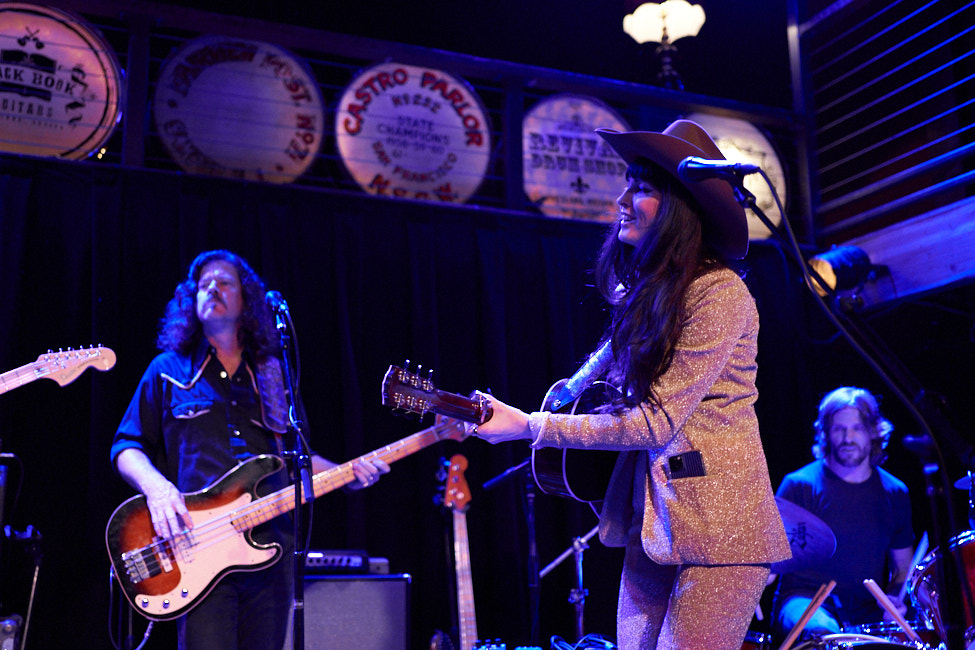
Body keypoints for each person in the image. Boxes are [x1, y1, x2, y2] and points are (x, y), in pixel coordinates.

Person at [468, 120, 791, 649]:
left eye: (640, 188)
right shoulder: (652, 293)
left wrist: (530, 427)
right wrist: (495, 413)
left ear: (679, 207)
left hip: (722, 532)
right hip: (656, 524)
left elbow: (655, 422)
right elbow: (597, 369)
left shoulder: (720, 294)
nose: (620, 200)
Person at [110, 249, 389, 650]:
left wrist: (349, 473)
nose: (212, 288)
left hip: (271, 552)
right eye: (203, 284)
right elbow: (126, 444)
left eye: (224, 281)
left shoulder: (273, 373)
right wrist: (158, 489)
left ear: (247, 299)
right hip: (199, 552)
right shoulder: (167, 370)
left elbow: (297, 461)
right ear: (191, 302)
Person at [772, 386, 914, 638]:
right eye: (839, 428)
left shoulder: (895, 492)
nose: (848, 438)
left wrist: (895, 597)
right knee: (823, 632)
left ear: (873, 432)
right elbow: (769, 560)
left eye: (857, 428)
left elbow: (903, 569)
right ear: (826, 433)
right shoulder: (798, 485)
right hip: (805, 600)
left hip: (867, 610)